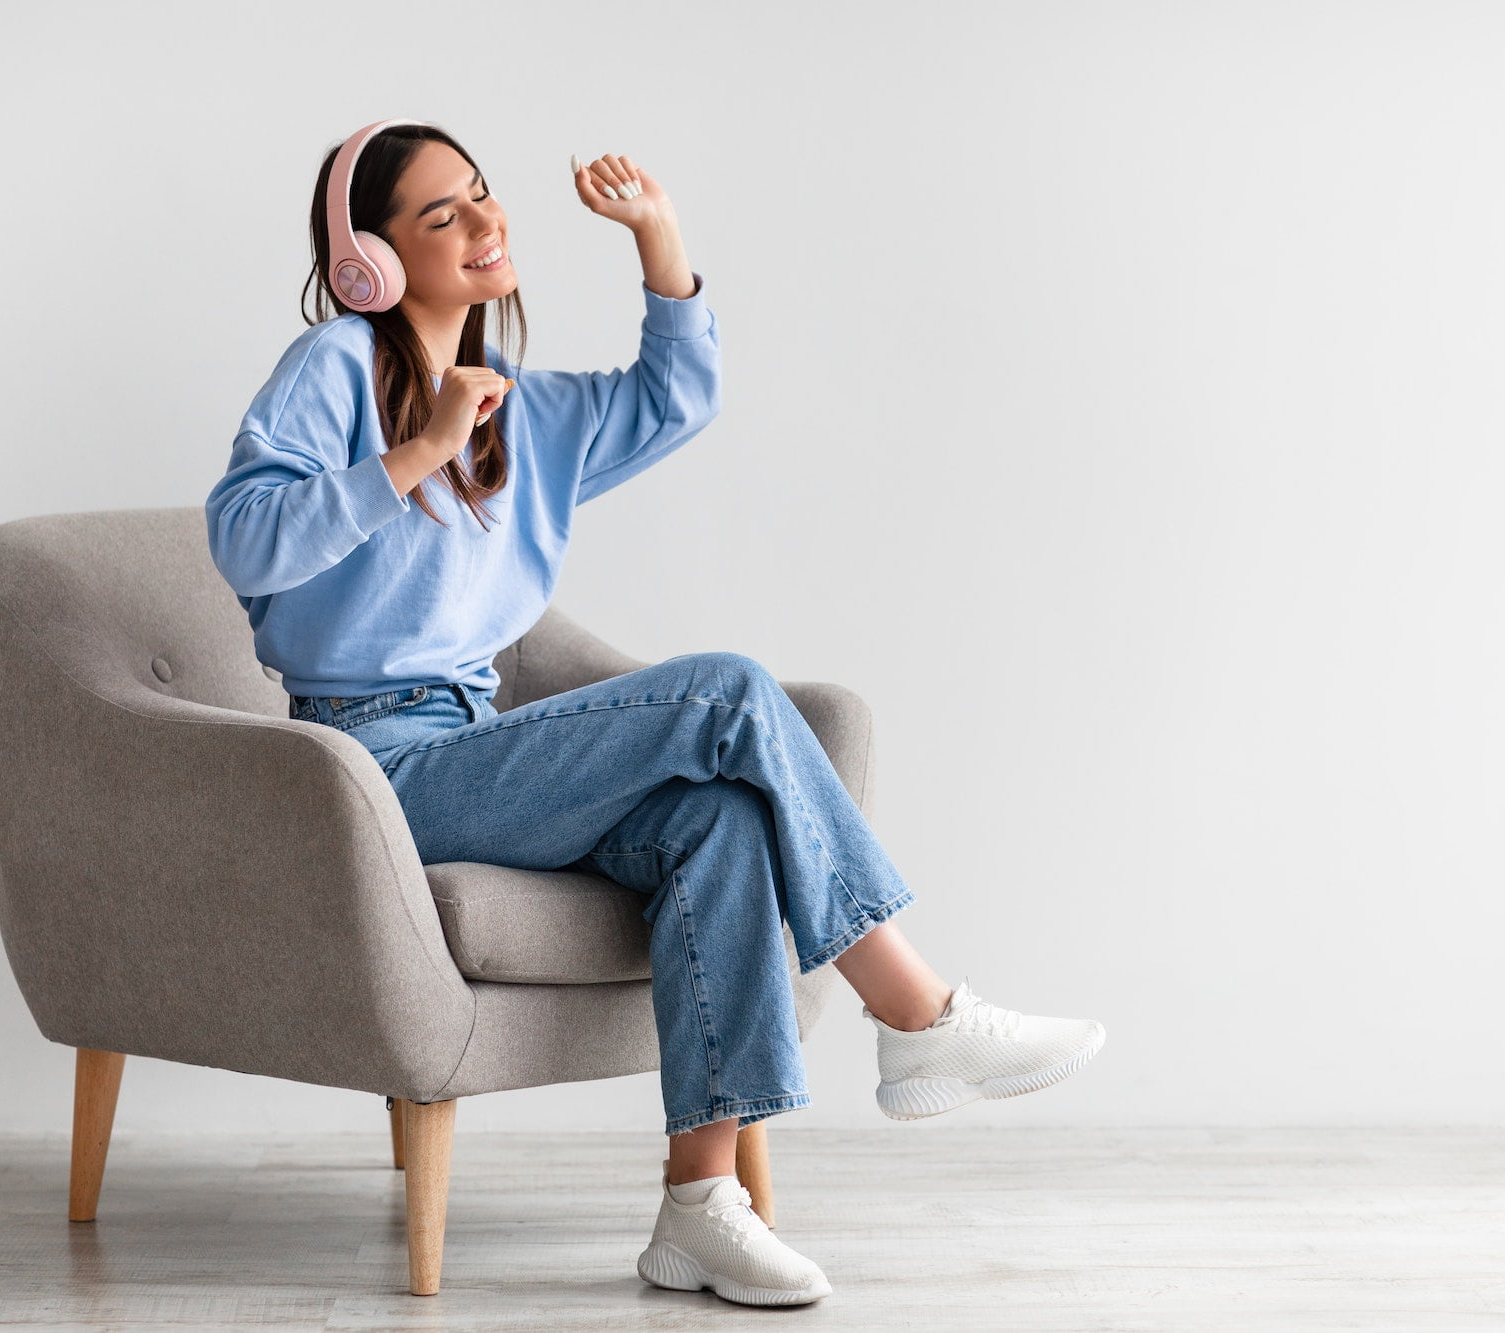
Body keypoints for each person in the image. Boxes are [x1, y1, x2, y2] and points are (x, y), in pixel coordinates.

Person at [204, 121, 1107, 1308]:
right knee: (727, 688)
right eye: (443, 216)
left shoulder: (521, 412)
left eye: (484, 199)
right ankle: (916, 1008)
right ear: (370, 260)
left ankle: (698, 1208)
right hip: (372, 767)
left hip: (476, 740)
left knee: (716, 820)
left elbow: (678, 395)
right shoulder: (330, 366)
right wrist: (418, 449)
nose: (485, 225)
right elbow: (240, 539)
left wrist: (656, 237)